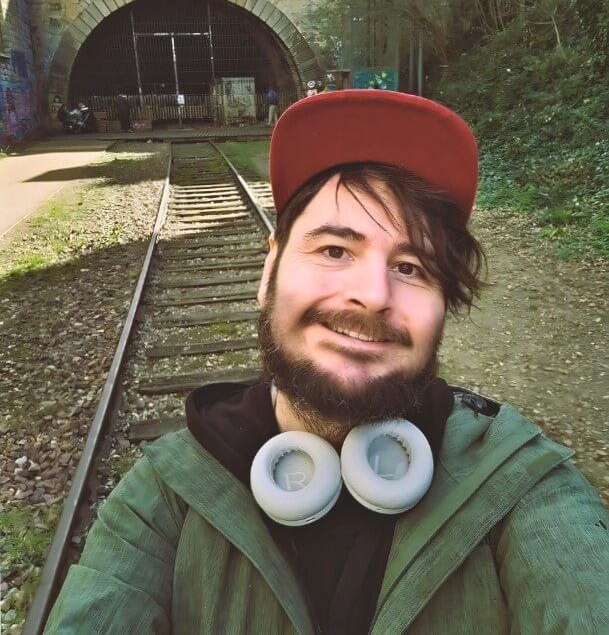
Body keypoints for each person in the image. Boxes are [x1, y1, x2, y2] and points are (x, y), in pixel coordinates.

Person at [44, 90, 609, 634]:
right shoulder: (162, 498)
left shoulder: (521, 484)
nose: (374, 295)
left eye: (411, 266)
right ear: (270, 274)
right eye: (335, 250)